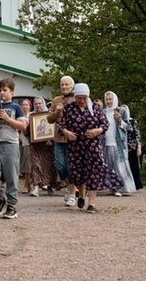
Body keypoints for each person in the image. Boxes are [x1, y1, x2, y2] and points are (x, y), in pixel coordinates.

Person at [57, 83, 122, 213]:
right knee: (78, 173)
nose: (81, 101)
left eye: (84, 98)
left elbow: (105, 124)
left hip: (92, 146)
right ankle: (81, 194)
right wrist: (66, 132)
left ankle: (91, 204)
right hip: (75, 147)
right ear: (75, 96)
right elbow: (61, 125)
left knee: (93, 172)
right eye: (79, 98)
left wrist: (97, 131)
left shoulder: (95, 107)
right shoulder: (69, 108)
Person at [0, 78, 27, 219]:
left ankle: (12, 205)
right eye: (0, 90)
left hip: (11, 144)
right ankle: (0, 198)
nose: (2, 93)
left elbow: (23, 126)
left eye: (5, 90)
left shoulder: (16, 107)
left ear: (12, 92)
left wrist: (8, 119)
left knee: (11, 176)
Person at [46, 75, 80, 206]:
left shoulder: (77, 98)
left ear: (72, 86)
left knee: (71, 166)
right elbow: (49, 119)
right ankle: (71, 185)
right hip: (59, 138)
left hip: (73, 138)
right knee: (60, 165)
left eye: (67, 84)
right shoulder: (56, 100)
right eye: (62, 85)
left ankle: (72, 194)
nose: (64, 87)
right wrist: (57, 111)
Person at [102, 91, 136, 196]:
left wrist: (119, 120)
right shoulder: (103, 112)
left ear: (114, 99)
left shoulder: (122, 110)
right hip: (106, 142)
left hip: (118, 143)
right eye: (106, 99)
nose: (108, 101)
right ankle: (113, 187)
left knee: (119, 166)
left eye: (110, 99)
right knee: (109, 166)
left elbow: (129, 127)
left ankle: (122, 187)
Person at [27, 96, 58, 197]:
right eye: (36, 104)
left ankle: (50, 185)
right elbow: (27, 131)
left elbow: (52, 129)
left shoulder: (49, 115)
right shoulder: (31, 116)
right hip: (35, 145)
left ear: (43, 103)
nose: (38, 105)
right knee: (35, 165)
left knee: (49, 165)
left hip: (47, 145)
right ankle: (35, 187)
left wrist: (50, 138)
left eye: (40, 103)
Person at [121, 104, 144, 190]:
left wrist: (139, 146)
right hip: (123, 146)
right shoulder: (119, 121)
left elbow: (137, 134)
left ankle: (137, 184)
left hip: (132, 147)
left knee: (134, 166)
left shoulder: (133, 121)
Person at [19, 99, 33, 193]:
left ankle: (27, 184)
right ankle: (28, 183)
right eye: (23, 105)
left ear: (30, 106)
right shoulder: (19, 116)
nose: (25, 107)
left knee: (27, 165)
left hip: (29, 142)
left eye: (26, 105)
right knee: (21, 163)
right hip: (19, 141)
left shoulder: (31, 116)